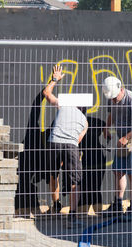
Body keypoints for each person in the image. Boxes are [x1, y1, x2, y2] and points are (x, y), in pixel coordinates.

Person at [43, 65, 88, 226]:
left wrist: (54, 79)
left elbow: (46, 93)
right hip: (70, 145)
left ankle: (56, 206)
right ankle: (73, 215)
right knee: (75, 180)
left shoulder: (63, 104)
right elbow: (77, 141)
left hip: (54, 142)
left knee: (53, 175)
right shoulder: (85, 121)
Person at [101, 76, 132, 218]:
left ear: (121, 89)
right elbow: (112, 114)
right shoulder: (112, 97)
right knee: (118, 171)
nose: (114, 100)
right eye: (111, 98)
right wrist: (106, 128)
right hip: (123, 140)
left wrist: (125, 137)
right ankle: (117, 204)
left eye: (115, 97)